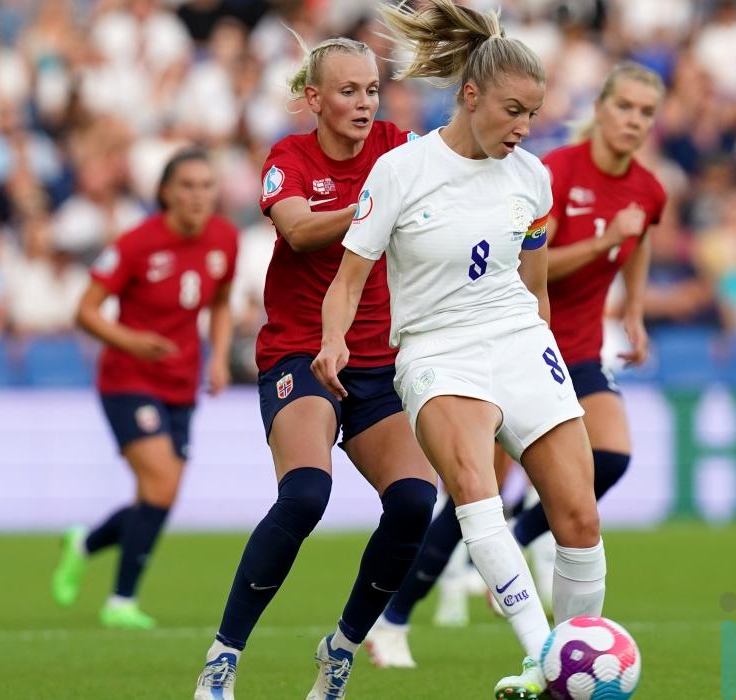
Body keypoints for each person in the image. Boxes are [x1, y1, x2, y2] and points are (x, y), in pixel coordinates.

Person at [315, 2, 607, 696]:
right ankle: (547, 662)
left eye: (533, 113)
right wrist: (332, 341)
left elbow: (534, 285)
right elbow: (349, 279)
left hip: (520, 341)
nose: (524, 127)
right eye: (512, 110)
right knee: (478, 492)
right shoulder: (401, 171)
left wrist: (547, 356)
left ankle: (571, 665)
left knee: (580, 516)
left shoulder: (531, 178)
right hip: (437, 349)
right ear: (470, 95)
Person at [366, 61, 667, 669]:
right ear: (600, 109)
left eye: (646, 113)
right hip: (510, 339)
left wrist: (634, 309)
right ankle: (395, 616)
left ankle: (527, 547)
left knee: (609, 458)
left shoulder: (648, 189)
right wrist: (606, 242)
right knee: (480, 494)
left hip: (573, 346)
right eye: (624, 107)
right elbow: (533, 266)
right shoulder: (552, 171)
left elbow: (639, 243)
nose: (634, 121)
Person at [192, 35, 437, 700]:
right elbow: (297, 230)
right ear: (315, 98)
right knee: (304, 495)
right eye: (348, 90)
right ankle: (223, 658)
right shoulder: (290, 157)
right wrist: (376, 206)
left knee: (415, 502)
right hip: (299, 353)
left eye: (371, 90)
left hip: (379, 361)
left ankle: (342, 648)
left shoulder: (400, 146)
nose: (363, 102)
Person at [50, 148, 238, 629]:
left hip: (181, 382)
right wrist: (131, 341)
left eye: (206, 186)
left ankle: (84, 544)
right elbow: (85, 310)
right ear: (166, 193)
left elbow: (220, 302)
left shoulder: (224, 238)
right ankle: (121, 602)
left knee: (160, 494)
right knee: (160, 483)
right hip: (128, 379)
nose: (198, 196)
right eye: (187, 186)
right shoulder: (136, 243)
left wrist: (218, 356)